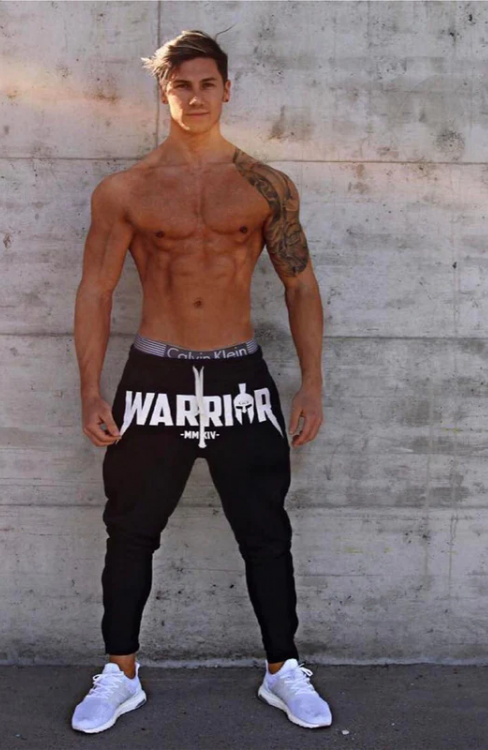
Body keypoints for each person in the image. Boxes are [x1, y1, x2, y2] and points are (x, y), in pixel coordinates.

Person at [71, 29, 331, 734]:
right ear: (165, 94)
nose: (195, 97)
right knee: (130, 531)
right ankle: (121, 674)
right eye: (181, 86)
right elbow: (96, 291)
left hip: (239, 376)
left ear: (226, 89)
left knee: (265, 531)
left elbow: (300, 287)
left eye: (206, 84)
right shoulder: (127, 190)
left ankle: (282, 670)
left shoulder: (265, 186)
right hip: (154, 377)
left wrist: (311, 384)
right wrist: (91, 389)